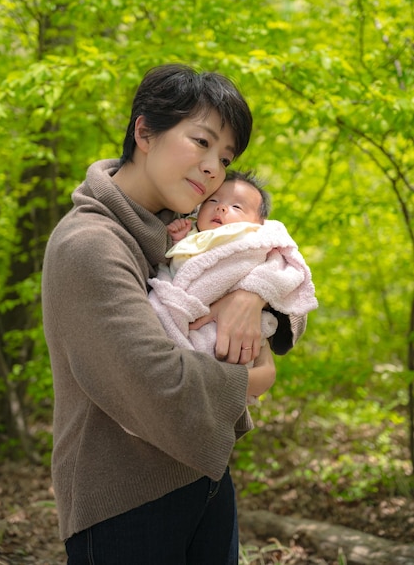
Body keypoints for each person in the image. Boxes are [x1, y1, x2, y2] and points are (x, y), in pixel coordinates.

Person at [41, 63, 306, 565]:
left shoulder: (189, 235)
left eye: (225, 157)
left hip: (204, 481)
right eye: (201, 142)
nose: (213, 168)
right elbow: (159, 383)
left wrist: (249, 296)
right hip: (124, 500)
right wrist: (254, 372)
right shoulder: (89, 244)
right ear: (144, 131)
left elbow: (287, 278)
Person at [146, 170, 318, 404]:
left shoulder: (253, 241)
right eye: (214, 201)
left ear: (259, 223)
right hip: (181, 313)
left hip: (226, 331)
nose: (222, 208)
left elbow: (283, 275)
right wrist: (179, 239)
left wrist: (255, 292)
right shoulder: (194, 234)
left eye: (237, 207)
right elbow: (179, 265)